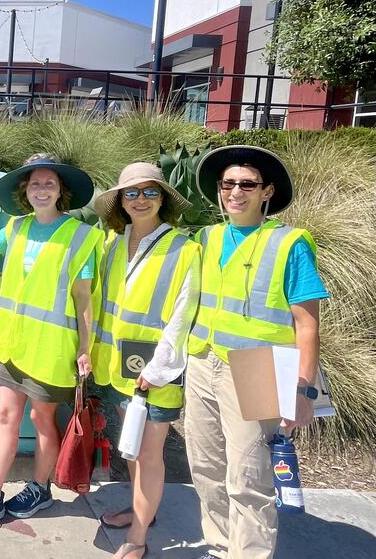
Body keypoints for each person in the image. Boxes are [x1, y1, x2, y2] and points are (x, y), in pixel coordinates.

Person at [186, 146, 327, 559]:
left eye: (247, 184)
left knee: (248, 476)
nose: (235, 192)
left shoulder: (290, 243)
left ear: (267, 191)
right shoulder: (206, 237)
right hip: (202, 359)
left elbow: (308, 325)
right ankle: (219, 547)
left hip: (260, 366)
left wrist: (302, 392)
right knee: (207, 467)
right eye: (228, 184)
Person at [0, 153, 103, 532]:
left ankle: (40, 487)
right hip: (14, 346)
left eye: (48, 183)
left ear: (61, 192)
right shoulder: (17, 228)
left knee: (41, 419)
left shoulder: (81, 236)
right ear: (26, 191)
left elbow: (84, 300)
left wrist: (86, 349)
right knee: (5, 415)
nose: (41, 189)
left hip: (52, 348)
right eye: (34, 183)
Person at [90, 163, 202, 559]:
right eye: (131, 193)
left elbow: (182, 316)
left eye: (150, 192)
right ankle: (143, 512)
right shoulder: (112, 244)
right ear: (120, 201)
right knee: (133, 449)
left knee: (150, 454)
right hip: (117, 367)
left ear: (164, 198)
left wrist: (157, 371)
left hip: (157, 371)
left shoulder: (184, 249)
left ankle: (138, 539)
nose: (140, 200)